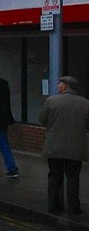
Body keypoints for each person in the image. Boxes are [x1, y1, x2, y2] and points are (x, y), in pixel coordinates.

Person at [38, 76, 89, 215]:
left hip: (54, 145)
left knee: (55, 175)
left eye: (60, 83)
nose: (58, 85)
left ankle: (54, 205)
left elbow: (42, 119)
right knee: (73, 177)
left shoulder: (51, 101)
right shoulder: (85, 103)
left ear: (66, 86)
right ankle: (74, 207)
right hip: (75, 146)